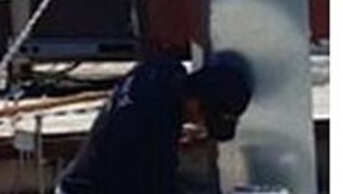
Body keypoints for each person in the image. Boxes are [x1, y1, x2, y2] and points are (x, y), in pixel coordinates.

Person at [56, 51, 252, 194]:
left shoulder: (162, 69)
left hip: (82, 178)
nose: (200, 124)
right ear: (195, 103)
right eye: (205, 120)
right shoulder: (154, 135)